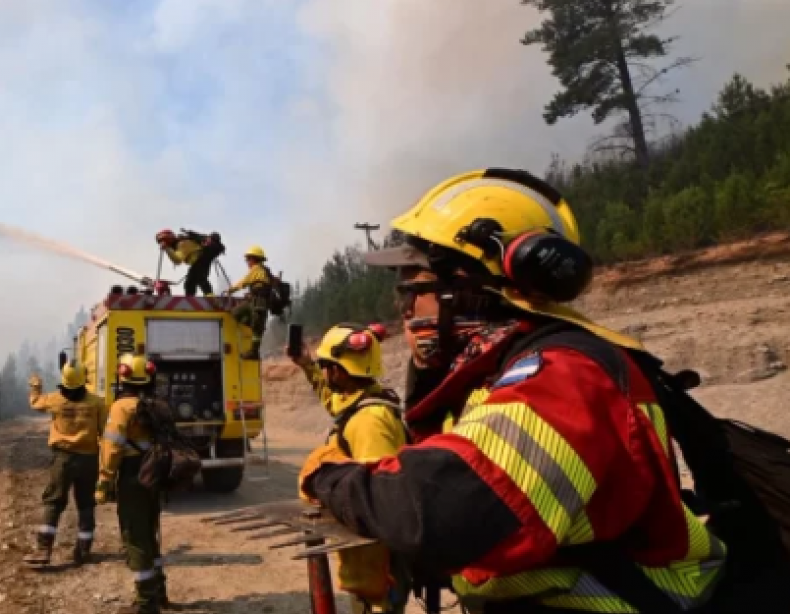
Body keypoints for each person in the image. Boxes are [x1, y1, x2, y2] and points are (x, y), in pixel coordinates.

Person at [298, 168, 724, 613]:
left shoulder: (565, 375)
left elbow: (443, 509)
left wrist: (326, 474)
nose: (401, 307)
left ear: (465, 286)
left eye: (412, 288)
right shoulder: (501, 374)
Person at [294, 323, 411, 614]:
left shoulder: (370, 421)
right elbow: (333, 401)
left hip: (377, 567)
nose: (324, 373)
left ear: (339, 370)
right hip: (368, 560)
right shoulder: (361, 400)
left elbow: (378, 496)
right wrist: (307, 365)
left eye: (326, 366)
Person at [97, 354, 172, 613]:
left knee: (135, 536)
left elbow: (112, 447)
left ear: (123, 378)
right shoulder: (157, 405)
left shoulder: (122, 407)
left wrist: (104, 481)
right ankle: (159, 592)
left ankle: (145, 603)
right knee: (150, 533)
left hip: (132, 475)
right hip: (155, 474)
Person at [24, 361, 108, 567]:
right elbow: (105, 433)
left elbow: (35, 403)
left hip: (63, 459)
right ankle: (84, 550)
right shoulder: (97, 403)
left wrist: (35, 386)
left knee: (54, 502)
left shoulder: (55, 399)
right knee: (86, 503)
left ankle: (44, 549)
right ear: (83, 379)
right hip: (89, 459)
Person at [226, 245, 272, 360]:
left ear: (254, 259)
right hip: (255, 301)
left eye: (248, 259)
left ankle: (254, 352)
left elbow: (244, 281)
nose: (247, 262)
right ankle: (255, 327)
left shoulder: (256, 269)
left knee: (254, 327)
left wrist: (230, 290)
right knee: (238, 314)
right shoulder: (264, 271)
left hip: (258, 303)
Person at [156, 228, 216, 296]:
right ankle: (190, 298)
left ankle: (210, 297)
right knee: (190, 283)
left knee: (200, 278)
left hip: (201, 259)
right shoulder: (179, 244)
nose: (162, 243)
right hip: (199, 261)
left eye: (164, 241)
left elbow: (178, 260)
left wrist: (167, 248)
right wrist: (168, 249)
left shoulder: (182, 244)